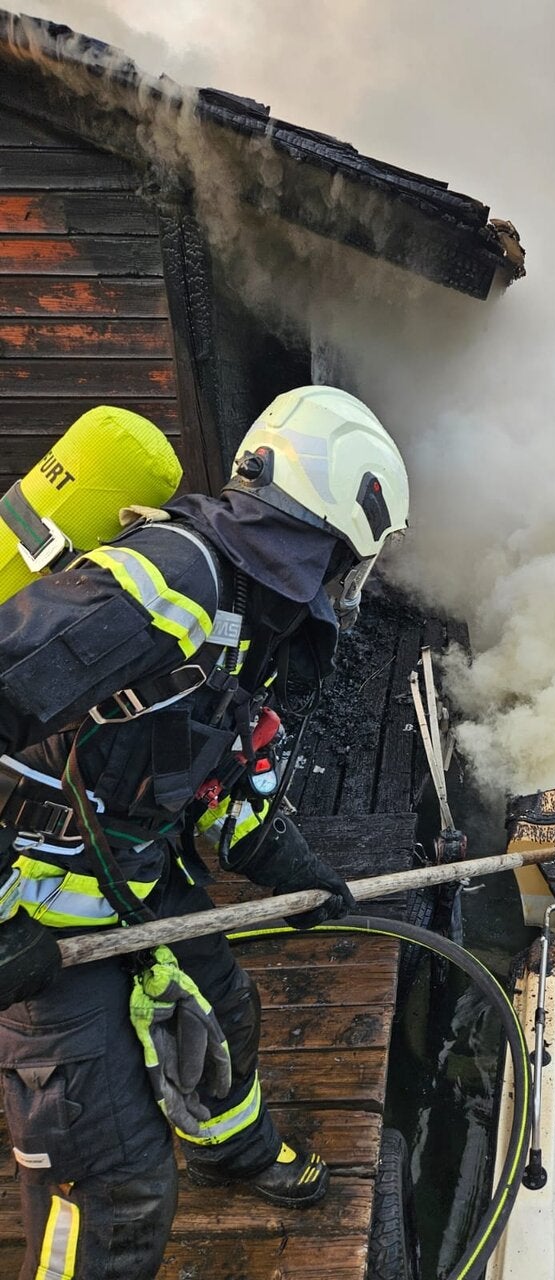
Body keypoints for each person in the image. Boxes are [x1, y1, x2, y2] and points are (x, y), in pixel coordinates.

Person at [0, 385, 410, 1279]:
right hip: (34, 914)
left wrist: (292, 868)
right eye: (349, 555)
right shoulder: (170, 579)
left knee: (222, 1010)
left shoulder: (245, 612)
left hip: (129, 876)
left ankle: (232, 1149)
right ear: (335, 518)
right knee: (110, 1181)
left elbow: (219, 757)